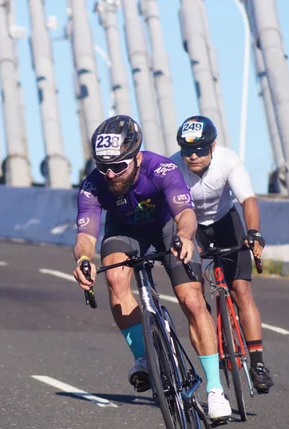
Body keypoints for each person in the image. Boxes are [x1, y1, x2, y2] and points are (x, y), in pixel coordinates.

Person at [72, 115, 232, 422]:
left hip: (168, 229)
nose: (110, 174)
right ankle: (143, 358)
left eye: (119, 166)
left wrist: (185, 238)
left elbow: (185, 213)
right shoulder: (93, 185)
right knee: (115, 277)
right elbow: (85, 235)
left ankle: (215, 389)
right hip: (125, 233)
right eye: (104, 166)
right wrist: (83, 259)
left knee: (191, 298)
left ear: (137, 157)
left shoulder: (161, 169)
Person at [169, 115, 274, 394]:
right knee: (195, 293)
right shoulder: (173, 167)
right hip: (191, 229)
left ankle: (258, 363)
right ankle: (212, 362)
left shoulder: (227, 160)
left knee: (241, 290)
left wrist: (253, 233)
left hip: (226, 222)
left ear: (212, 147)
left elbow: (247, 199)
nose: (192, 156)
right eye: (186, 150)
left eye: (200, 150)